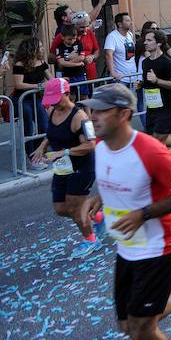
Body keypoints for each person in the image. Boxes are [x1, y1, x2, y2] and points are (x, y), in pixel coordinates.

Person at [79, 84, 171, 338]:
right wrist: (99, 198)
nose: (92, 117)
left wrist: (143, 214)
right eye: (91, 110)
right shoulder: (101, 146)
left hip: (158, 246)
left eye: (101, 111)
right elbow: (123, 175)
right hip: (127, 247)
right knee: (128, 325)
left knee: (141, 326)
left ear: (124, 114)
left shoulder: (149, 150)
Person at [29, 78, 102, 258]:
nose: (53, 103)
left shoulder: (80, 117)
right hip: (62, 167)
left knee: (76, 209)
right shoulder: (53, 110)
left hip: (82, 167)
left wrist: (64, 152)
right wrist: (42, 146)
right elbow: (52, 133)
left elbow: (90, 145)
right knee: (60, 208)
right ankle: (98, 216)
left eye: (56, 98)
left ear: (67, 94)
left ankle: (91, 240)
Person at [138, 29, 171, 147]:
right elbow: (148, 81)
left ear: (159, 43)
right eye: (145, 40)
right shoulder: (145, 62)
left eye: (149, 40)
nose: (145, 43)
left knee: (157, 141)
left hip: (166, 106)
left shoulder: (167, 62)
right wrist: (142, 84)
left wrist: (157, 80)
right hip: (152, 107)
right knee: (153, 139)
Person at [12, 38, 52, 165]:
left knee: (44, 125)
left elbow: (50, 79)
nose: (42, 49)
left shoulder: (41, 62)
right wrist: (39, 86)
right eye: (40, 47)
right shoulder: (19, 64)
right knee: (28, 128)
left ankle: (38, 152)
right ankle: (31, 156)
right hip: (23, 100)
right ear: (32, 49)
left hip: (37, 98)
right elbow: (19, 85)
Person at [50, 12, 101, 81]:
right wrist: (67, 60)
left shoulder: (89, 32)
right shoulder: (63, 36)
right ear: (74, 25)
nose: (86, 29)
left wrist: (92, 57)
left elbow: (97, 51)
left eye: (87, 26)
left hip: (90, 74)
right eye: (82, 27)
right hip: (69, 75)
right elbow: (50, 58)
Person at [104, 12, 139, 83]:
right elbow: (108, 55)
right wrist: (112, 73)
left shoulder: (130, 34)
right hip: (120, 78)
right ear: (119, 24)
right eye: (127, 21)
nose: (130, 22)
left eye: (130, 20)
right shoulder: (112, 36)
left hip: (133, 77)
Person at [54, 24, 87, 89]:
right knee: (71, 96)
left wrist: (67, 60)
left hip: (80, 74)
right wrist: (77, 64)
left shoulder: (78, 43)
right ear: (63, 37)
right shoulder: (59, 47)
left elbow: (82, 57)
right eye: (69, 39)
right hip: (68, 75)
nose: (72, 41)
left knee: (84, 95)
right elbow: (61, 63)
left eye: (74, 38)